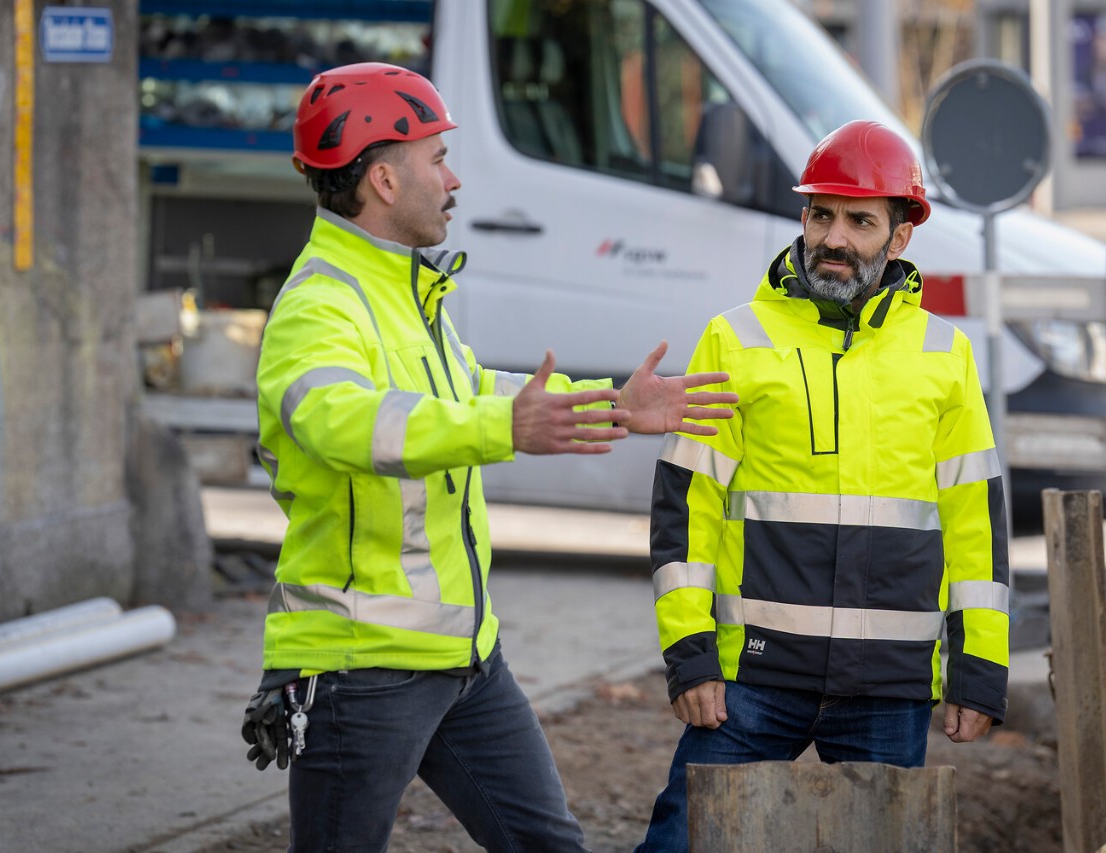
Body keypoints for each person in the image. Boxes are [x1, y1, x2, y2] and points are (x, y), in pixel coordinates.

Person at [237, 62, 737, 853]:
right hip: (359, 668)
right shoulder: (318, 303)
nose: (454, 177)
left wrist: (614, 405)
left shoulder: (405, 292)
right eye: (437, 158)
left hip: (464, 660)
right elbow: (348, 423)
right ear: (384, 180)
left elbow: (472, 389)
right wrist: (506, 427)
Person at [635, 120, 1010, 851]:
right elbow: (687, 509)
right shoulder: (736, 337)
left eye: (861, 221)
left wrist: (979, 670)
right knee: (677, 843)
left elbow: (976, 528)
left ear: (900, 236)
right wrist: (689, 654)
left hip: (888, 688)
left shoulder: (946, 355)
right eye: (821, 214)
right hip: (750, 678)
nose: (834, 239)